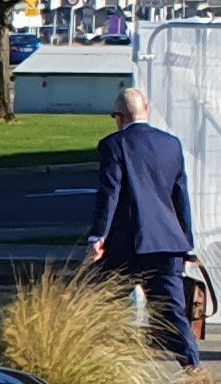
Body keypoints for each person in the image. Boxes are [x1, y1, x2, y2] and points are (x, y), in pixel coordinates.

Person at [85, 85, 198, 368]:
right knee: (174, 312)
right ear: (146, 109)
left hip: (128, 244)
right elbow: (180, 197)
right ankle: (194, 371)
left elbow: (109, 193)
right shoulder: (171, 144)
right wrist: (187, 242)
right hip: (167, 243)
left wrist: (98, 237)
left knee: (103, 305)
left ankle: (105, 366)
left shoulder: (113, 145)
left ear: (119, 117)